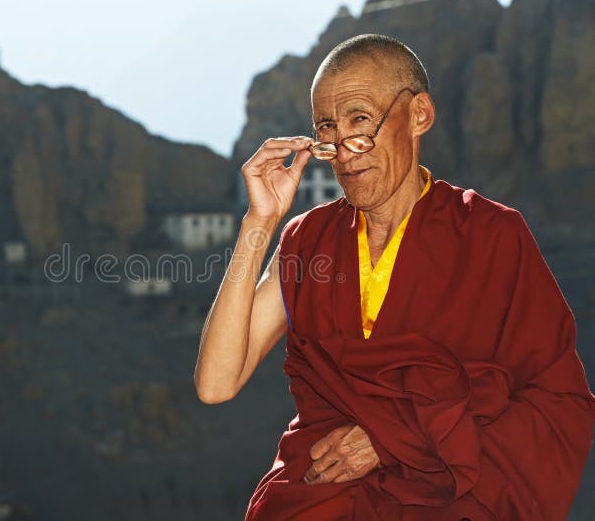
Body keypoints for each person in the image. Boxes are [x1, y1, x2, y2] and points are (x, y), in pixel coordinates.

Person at [193, 33, 595, 520]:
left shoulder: (491, 234)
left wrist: (392, 438)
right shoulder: (306, 242)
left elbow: (558, 403)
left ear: (419, 114)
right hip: (321, 500)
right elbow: (216, 383)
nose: (344, 151)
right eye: (327, 129)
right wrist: (259, 223)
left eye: (361, 121)